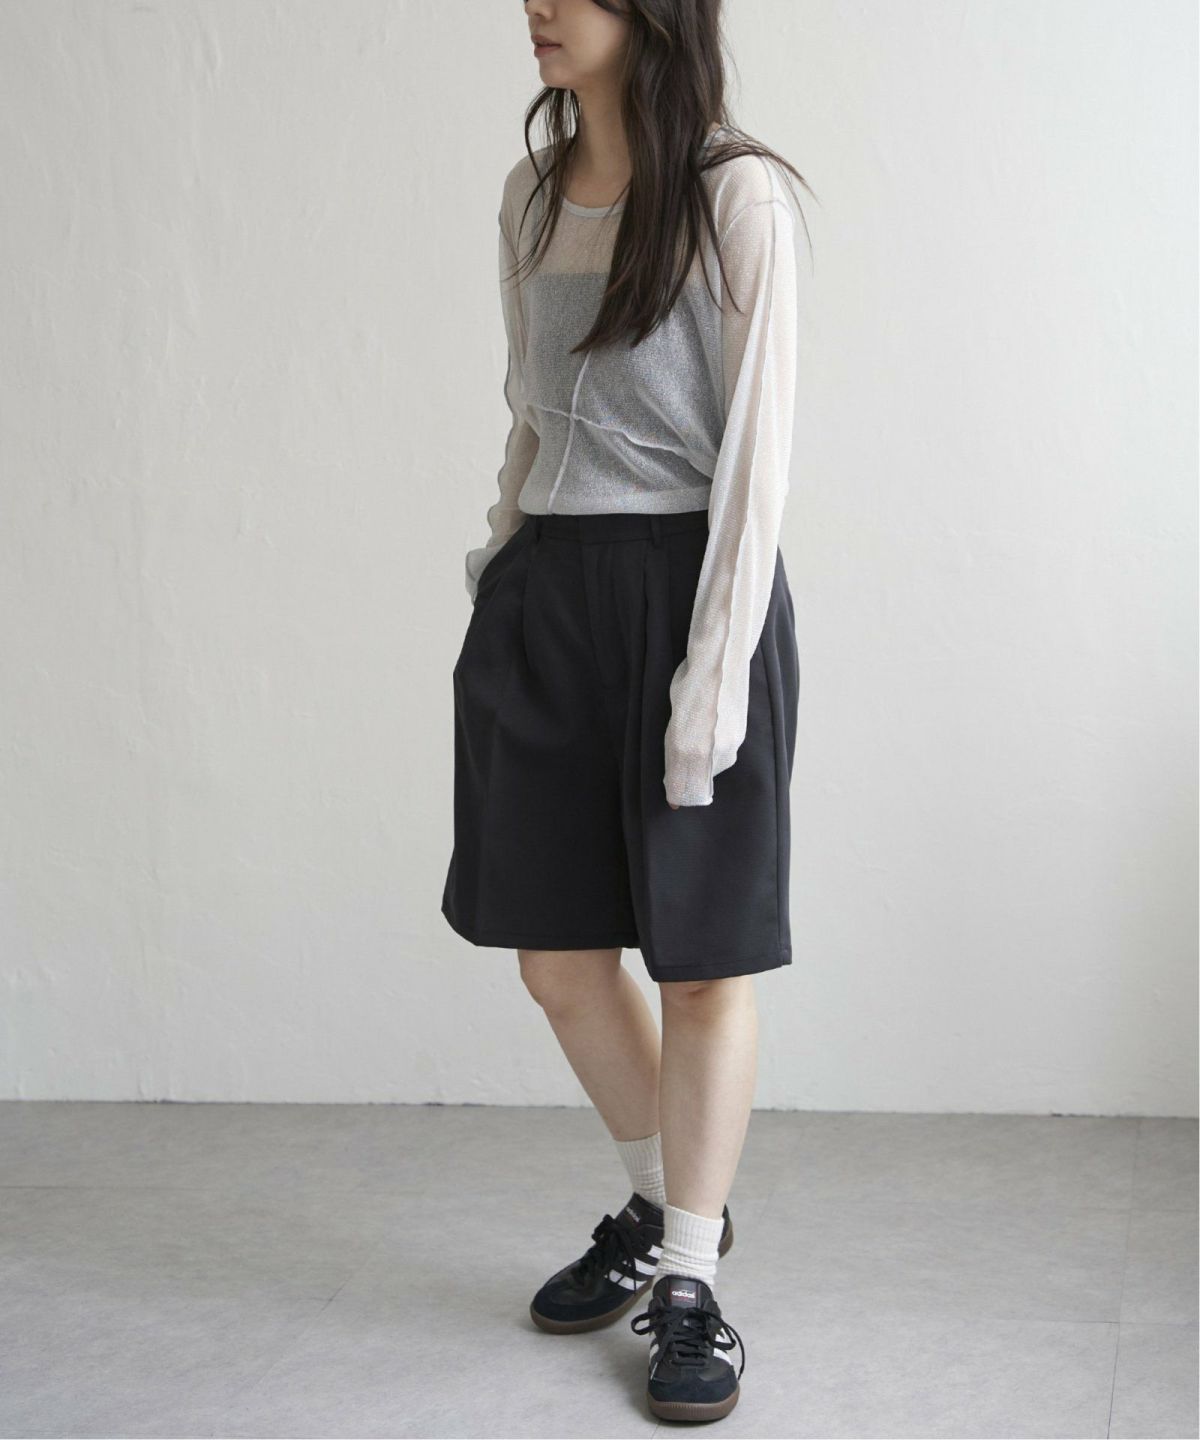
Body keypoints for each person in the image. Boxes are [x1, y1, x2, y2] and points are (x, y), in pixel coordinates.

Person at [441, 0, 814, 1423]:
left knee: (703, 962)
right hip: (550, 594)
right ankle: (668, 1205)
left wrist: (710, 679)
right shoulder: (532, 193)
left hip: (690, 592)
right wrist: (500, 563)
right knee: (557, 957)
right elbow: (533, 408)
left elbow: (756, 464)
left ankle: (693, 1281)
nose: (538, 7)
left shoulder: (735, 195)